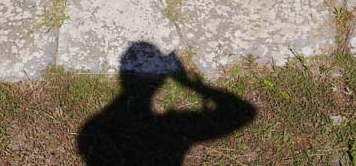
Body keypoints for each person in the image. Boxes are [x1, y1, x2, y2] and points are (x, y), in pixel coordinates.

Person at [77, 42, 257, 166]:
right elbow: (245, 112)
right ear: (162, 79)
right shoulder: (169, 128)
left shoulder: (93, 129)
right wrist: (191, 84)